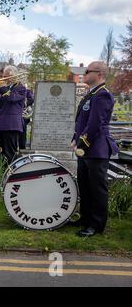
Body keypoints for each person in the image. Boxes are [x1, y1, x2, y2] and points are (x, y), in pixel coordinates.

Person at [71, 61, 119, 237]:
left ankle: (96, 225)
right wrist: (74, 139)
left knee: (96, 188)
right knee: (84, 185)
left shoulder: (102, 95)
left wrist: (81, 141)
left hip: (96, 148)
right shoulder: (91, 94)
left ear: (98, 74)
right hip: (85, 148)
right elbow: (82, 121)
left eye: (87, 71)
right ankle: (86, 219)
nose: (84, 73)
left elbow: (95, 124)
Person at [0, 65, 26, 164]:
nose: (3, 78)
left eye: (6, 76)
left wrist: (2, 88)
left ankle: (11, 176)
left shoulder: (21, 88)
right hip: (0, 126)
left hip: (11, 126)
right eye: (3, 76)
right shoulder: (6, 88)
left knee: (10, 154)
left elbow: (11, 98)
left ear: (14, 76)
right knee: (1, 154)